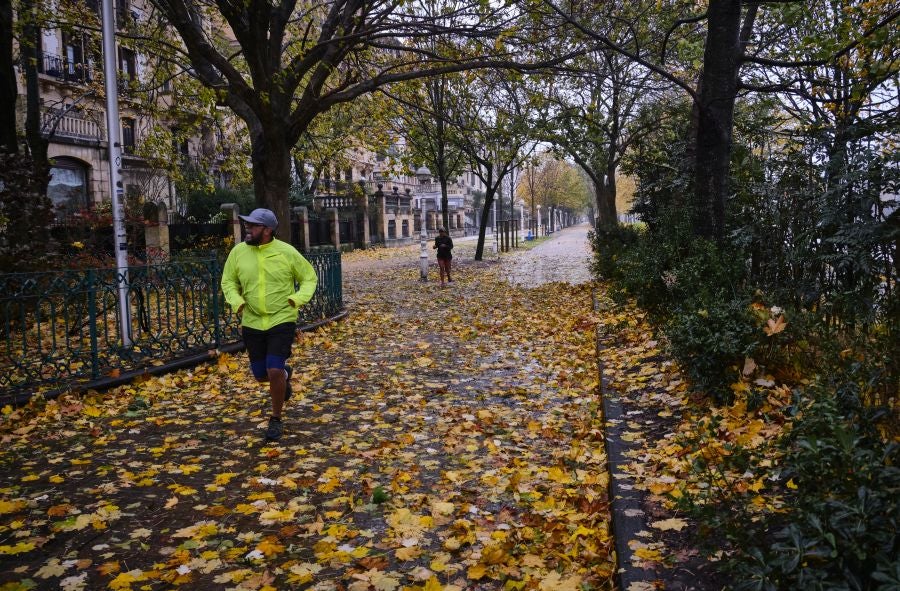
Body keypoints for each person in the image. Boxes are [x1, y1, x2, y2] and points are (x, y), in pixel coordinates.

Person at [221, 208, 318, 442]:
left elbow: (309, 278)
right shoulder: (238, 253)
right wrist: (237, 302)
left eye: (253, 226)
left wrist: (297, 299)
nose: (248, 228)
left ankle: (275, 419)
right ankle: (285, 375)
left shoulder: (286, 252)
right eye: (248, 224)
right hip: (252, 322)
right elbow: (228, 281)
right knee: (261, 375)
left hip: (281, 319)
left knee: (273, 369)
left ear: (267, 230)